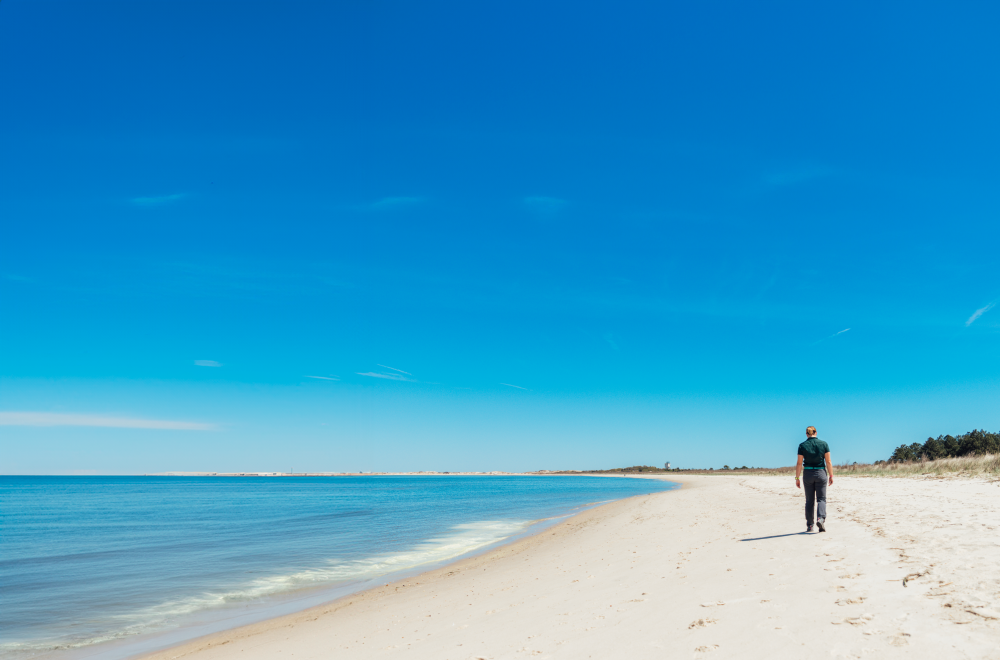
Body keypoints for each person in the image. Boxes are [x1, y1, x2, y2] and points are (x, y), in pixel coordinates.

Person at [795, 426, 833, 532]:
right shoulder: (824, 444)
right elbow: (828, 461)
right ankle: (820, 519)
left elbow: (799, 463)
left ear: (806, 434)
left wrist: (797, 477)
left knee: (809, 500)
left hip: (807, 473)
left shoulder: (802, 445)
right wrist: (831, 475)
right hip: (821, 472)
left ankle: (810, 525)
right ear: (816, 432)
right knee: (821, 499)